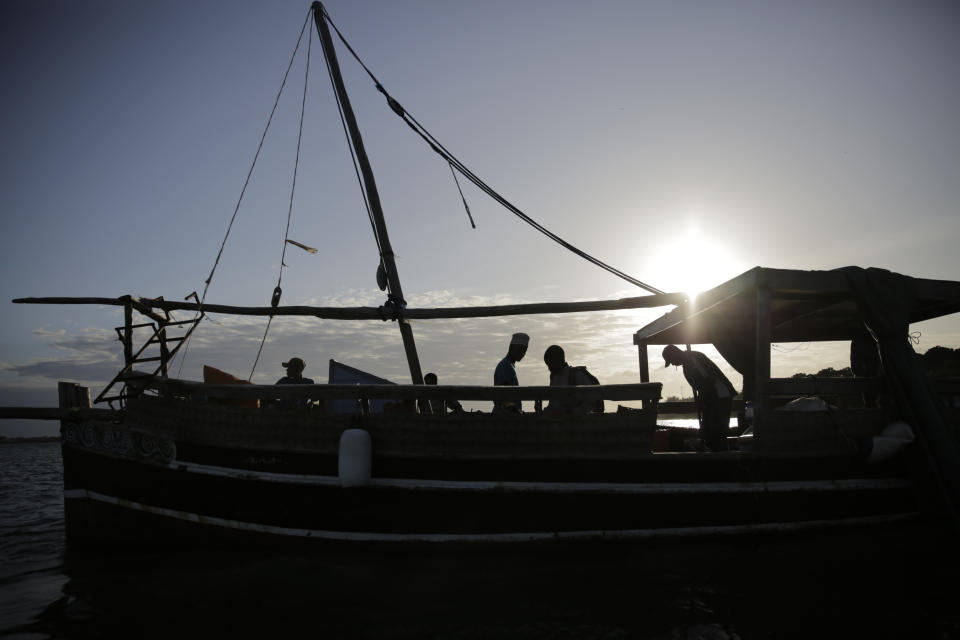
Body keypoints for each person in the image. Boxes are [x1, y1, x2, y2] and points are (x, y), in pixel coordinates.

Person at [662, 344, 737, 451]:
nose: (673, 364)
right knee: (708, 432)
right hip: (710, 399)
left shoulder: (694, 358)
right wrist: (703, 400)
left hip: (721, 395)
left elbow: (710, 378)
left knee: (718, 431)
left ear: (675, 354)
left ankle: (722, 455)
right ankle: (714, 452)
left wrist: (703, 397)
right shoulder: (686, 365)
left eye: (671, 360)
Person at [542, 345, 602, 414]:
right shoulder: (554, 377)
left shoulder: (577, 375)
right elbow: (553, 403)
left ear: (559, 360)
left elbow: (593, 402)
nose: (549, 368)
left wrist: (573, 412)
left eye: (550, 364)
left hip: (576, 422)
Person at [493, 332, 528, 413]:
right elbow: (504, 398)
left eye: (525, 350)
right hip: (504, 417)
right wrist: (517, 412)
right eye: (521, 349)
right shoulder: (505, 366)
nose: (523, 353)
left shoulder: (508, 365)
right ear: (511, 347)